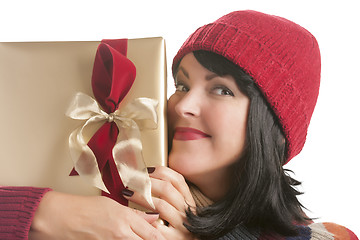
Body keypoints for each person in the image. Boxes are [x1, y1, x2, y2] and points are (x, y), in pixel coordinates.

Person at [0, 10, 358, 240]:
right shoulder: (112, 198)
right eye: (182, 85)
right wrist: (47, 212)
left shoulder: (329, 237)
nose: (183, 105)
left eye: (221, 90)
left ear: (273, 128)